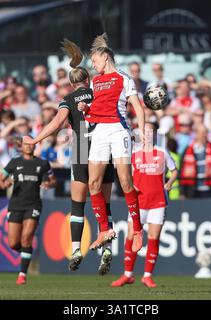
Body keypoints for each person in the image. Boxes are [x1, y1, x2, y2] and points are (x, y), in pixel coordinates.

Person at [24, 39, 117, 274]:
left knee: (78, 204)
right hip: (104, 148)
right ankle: (106, 248)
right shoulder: (99, 93)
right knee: (103, 205)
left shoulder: (67, 100)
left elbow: (56, 123)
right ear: (88, 80)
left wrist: (35, 140)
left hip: (81, 149)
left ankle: (76, 249)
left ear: (71, 84)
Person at [78, 33, 146, 253]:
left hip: (118, 130)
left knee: (125, 181)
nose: (93, 65)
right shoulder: (96, 81)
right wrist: (85, 109)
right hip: (98, 131)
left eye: (95, 61)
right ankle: (105, 230)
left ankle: (137, 229)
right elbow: (96, 106)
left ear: (105, 57)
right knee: (93, 184)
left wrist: (142, 130)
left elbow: (137, 105)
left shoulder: (123, 78)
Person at [111, 121, 178, 288]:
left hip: (158, 202)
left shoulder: (162, 152)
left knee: (153, 238)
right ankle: (127, 274)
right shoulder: (133, 153)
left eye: (150, 132)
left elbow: (174, 171)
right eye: (144, 132)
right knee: (132, 236)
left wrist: (169, 183)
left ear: (154, 134)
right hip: (139, 202)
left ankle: (147, 276)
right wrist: (130, 184)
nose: (147, 135)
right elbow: (122, 172)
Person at [0, 138, 56, 285]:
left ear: (35, 145)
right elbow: (0, 180)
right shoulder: (14, 163)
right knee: (13, 243)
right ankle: (27, 253)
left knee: (26, 237)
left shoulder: (42, 163)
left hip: (33, 205)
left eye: (31, 143)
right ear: (21, 147)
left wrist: (48, 184)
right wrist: (4, 184)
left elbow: (53, 180)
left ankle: (22, 275)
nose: (29, 146)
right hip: (16, 205)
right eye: (26, 144)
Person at [179, 125, 211, 198]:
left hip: (210, 190)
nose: (204, 135)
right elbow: (181, 171)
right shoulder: (188, 150)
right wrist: (182, 192)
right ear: (196, 134)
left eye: (206, 133)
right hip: (192, 190)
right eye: (202, 133)